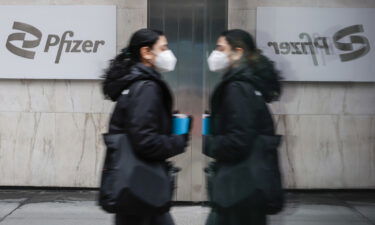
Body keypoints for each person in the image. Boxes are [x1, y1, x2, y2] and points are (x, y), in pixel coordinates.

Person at [102, 28, 190, 225]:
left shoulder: (135, 83)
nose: (168, 53)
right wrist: (179, 140)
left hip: (135, 184)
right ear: (146, 52)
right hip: (141, 185)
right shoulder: (147, 87)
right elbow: (145, 140)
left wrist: (166, 119)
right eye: (164, 47)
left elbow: (138, 125)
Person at [203, 29, 282, 225]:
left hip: (239, 187)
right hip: (248, 185)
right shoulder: (247, 84)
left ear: (238, 51)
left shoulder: (237, 88)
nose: (215, 54)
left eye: (220, 48)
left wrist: (208, 142)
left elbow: (238, 140)